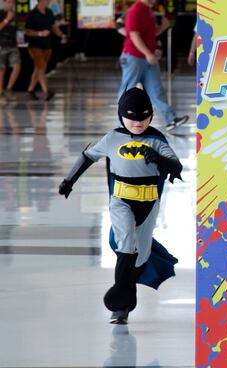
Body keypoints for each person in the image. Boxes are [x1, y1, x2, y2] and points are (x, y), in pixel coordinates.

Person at [58, 84, 183, 324]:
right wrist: (69, 180)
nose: (138, 122)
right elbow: (88, 156)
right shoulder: (112, 138)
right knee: (126, 243)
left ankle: (125, 292)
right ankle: (121, 307)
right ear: (121, 114)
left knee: (141, 256)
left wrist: (158, 159)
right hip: (121, 200)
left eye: (144, 116)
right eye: (131, 117)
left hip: (148, 202)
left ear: (150, 115)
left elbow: (175, 166)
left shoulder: (156, 140)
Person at [119, 0, 188, 131]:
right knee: (128, 90)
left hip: (148, 58)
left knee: (156, 91)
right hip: (133, 57)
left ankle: (171, 119)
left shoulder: (148, 11)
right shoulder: (134, 11)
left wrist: (163, 27)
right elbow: (134, 36)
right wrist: (147, 53)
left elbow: (150, 34)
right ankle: (122, 122)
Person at [24, 0, 68, 101]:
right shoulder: (32, 14)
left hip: (47, 46)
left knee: (39, 68)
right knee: (41, 67)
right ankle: (46, 91)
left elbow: (53, 27)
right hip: (35, 45)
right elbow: (27, 31)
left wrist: (62, 35)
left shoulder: (49, 12)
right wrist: (39, 33)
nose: (48, 1)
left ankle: (30, 90)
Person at [0, 0, 21, 100]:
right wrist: (7, 19)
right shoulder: (1, 14)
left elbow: (15, 28)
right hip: (1, 45)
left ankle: (9, 88)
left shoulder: (15, 15)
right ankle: (1, 92)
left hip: (13, 45)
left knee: (17, 66)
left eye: (12, 3)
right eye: (8, 2)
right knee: (1, 69)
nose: (10, 5)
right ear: (4, 3)